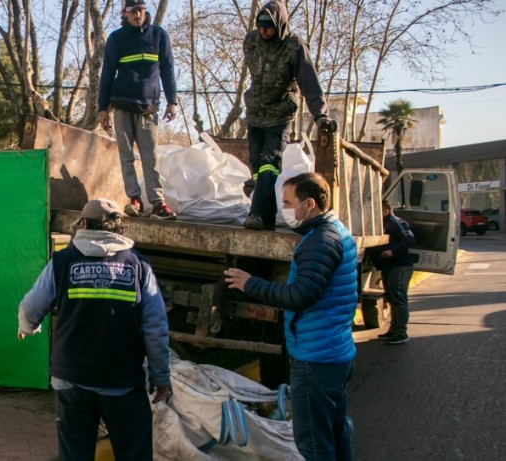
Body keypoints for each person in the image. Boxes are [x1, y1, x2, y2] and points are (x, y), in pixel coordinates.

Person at [17, 198, 171, 460]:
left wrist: (27, 327)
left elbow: (31, 308)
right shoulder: (138, 266)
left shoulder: (62, 261)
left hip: (70, 380)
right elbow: (155, 328)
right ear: (119, 229)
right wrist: (160, 377)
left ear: (85, 224)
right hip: (122, 382)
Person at [224, 172, 357, 460]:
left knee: (313, 442)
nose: (284, 208)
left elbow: (299, 296)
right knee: (335, 430)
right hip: (333, 351)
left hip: (316, 358)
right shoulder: (335, 231)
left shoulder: (320, 241)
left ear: (309, 204)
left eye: (287, 202)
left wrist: (250, 283)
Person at [242, 0, 333, 231]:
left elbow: (309, 83)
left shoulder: (295, 46)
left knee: (269, 164)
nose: (264, 32)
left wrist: (320, 115)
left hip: (279, 116)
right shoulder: (251, 40)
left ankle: (257, 214)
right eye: (261, 27)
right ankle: (267, 218)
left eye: (269, 28)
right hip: (255, 114)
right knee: (257, 167)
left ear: (280, 25)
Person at [98, 0, 178, 220]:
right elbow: (107, 74)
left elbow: (168, 69)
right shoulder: (116, 39)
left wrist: (172, 101)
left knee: (150, 156)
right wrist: (102, 107)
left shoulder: (159, 36)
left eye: (140, 10)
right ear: (125, 13)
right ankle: (134, 199)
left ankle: (158, 203)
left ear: (145, 10)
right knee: (126, 156)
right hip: (122, 105)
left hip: (149, 107)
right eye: (133, 11)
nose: (137, 15)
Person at [373, 200, 416, 345]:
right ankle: (393, 329)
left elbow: (409, 238)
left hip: (399, 266)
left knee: (399, 299)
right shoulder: (381, 224)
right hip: (388, 267)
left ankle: (401, 332)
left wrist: (392, 251)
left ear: (385, 210)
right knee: (392, 298)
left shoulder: (396, 222)